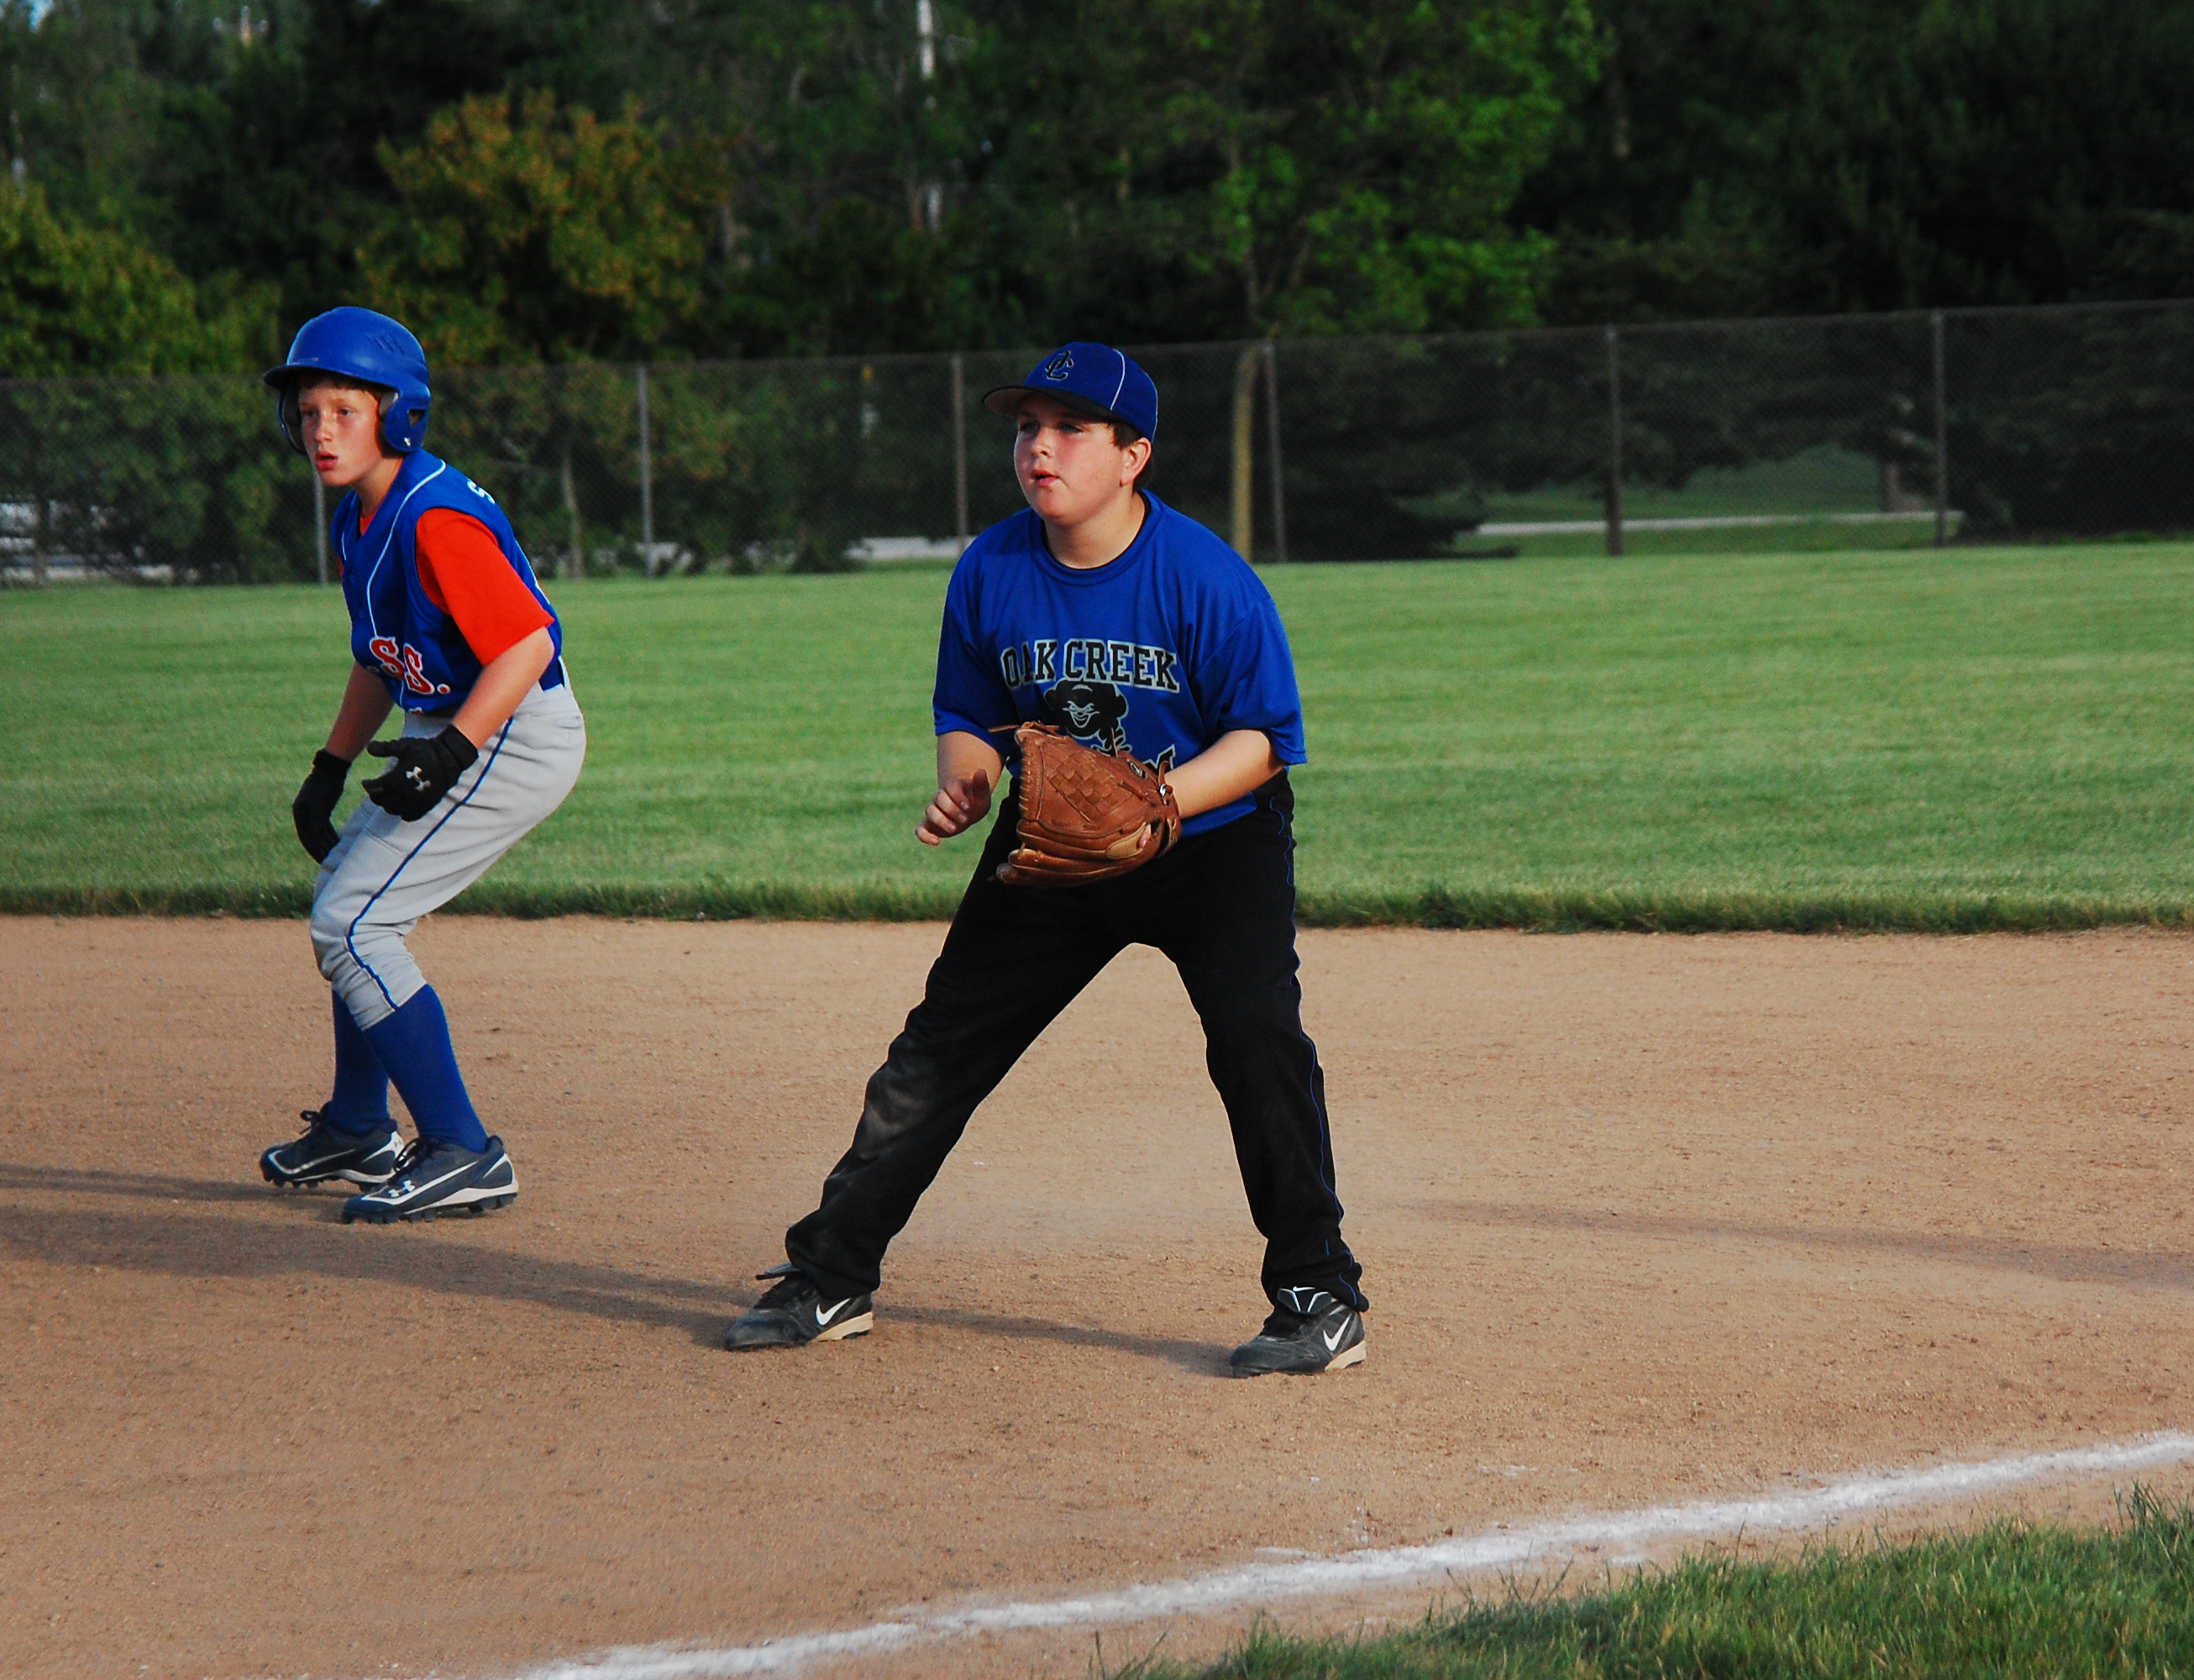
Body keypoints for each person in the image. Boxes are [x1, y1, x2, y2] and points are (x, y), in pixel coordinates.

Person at [725, 341, 1368, 1375]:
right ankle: (830, 1274)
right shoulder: (992, 567)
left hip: (1209, 843)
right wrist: (968, 781)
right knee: (938, 1051)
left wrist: (1154, 804)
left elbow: (1262, 741)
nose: (1040, 446)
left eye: (1071, 428)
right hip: (1053, 847)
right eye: (1028, 427)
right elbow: (970, 711)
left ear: (1133, 455)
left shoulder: (1204, 575)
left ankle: (1316, 1294)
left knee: (1257, 1042)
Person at [254, 307, 585, 1224]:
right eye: (308, 412)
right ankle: (360, 1126)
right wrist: (330, 766)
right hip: (455, 724)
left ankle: (462, 1149)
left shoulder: (434, 517)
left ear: (396, 415)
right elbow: (379, 659)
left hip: (512, 730)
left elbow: (527, 645)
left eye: (344, 410)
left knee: (354, 925)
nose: (321, 431)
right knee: (348, 897)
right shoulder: (359, 519)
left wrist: (450, 751)